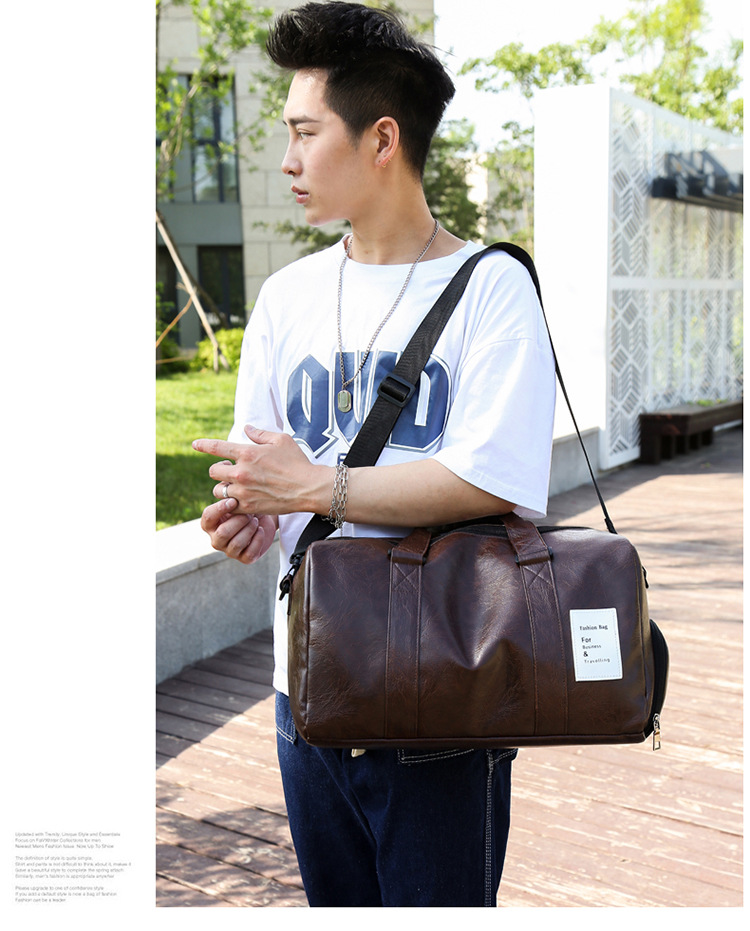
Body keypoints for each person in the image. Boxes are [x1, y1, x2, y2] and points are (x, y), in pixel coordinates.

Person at [192, 0, 555, 908]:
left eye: (305, 132)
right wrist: (253, 512)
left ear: (382, 138)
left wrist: (317, 485)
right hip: (307, 688)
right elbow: (270, 470)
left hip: (442, 685)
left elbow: (491, 478)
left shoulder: (491, 287)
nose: (286, 159)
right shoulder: (286, 297)